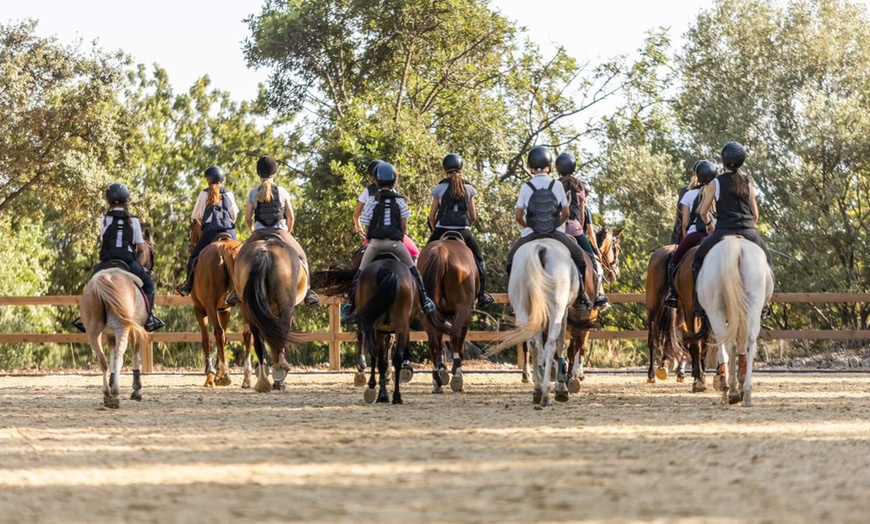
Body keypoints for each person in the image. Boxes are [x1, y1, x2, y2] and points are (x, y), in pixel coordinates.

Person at [341, 162, 436, 320]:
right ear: (394, 180)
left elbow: (365, 221)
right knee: (414, 271)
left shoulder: (372, 200)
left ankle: (351, 303)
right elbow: (404, 225)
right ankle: (425, 300)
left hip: (375, 245)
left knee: (358, 274)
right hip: (396, 245)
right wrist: (398, 235)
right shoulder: (400, 201)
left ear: (376, 181)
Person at [691, 142, 773, 318]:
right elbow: (755, 214)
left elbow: (704, 211)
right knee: (768, 261)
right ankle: (765, 304)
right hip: (749, 230)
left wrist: (708, 224)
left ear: (723, 161)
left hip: (723, 231)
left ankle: (698, 304)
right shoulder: (748, 182)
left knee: (697, 259)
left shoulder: (716, 183)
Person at [505, 146, 592, 309]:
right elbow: (566, 213)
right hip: (554, 233)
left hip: (531, 234)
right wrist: (554, 225)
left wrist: (530, 225)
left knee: (510, 260)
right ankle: (580, 295)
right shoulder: (556, 185)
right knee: (580, 257)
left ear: (531, 167)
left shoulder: (525, 187)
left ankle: (514, 298)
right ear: (549, 166)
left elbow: (518, 216)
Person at [227, 156, 319, 306]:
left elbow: (248, 218)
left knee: (239, 260)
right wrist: (287, 232)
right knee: (302, 257)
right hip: (281, 231)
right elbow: (290, 216)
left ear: (258, 174)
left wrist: (253, 231)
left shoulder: (253, 193)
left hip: (259, 233)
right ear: (274, 173)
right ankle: (308, 292)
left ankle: (236, 292)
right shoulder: (282, 191)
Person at [72, 183, 164, 332]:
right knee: (149, 286)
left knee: (91, 284)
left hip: (107, 261)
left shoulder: (104, 220)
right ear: (125, 200)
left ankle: (84, 318)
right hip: (127, 261)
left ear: (109, 201)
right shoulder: (133, 220)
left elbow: (105, 241)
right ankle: (149, 319)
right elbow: (141, 247)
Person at [426, 153, 494, 307]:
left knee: (424, 256)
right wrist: (466, 227)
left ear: (445, 169)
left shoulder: (440, 187)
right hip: (463, 229)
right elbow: (473, 216)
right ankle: (482, 294)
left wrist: (434, 231)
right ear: (461, 168)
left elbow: (431, 216)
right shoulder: (469, 188)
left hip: (441, 228)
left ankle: (422, 295)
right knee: (479, 259)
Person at [174, 166, 239, 296]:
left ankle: (187, 286)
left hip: (211, 232)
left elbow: (197, 216)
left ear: (207, 180)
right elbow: (234, 216)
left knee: (194, 257)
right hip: (229, 230)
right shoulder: (229, 194)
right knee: (240, 256)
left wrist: (204, 225)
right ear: (222, 179)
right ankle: (241, 286)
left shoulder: (204, 194)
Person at [556, 152, 609, 309]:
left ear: (558, 168)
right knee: (591, 259)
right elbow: (582, 214)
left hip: (556, 230)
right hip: (574, 228)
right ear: (573, 167)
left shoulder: (553, 184)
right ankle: (598, 294)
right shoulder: (579, 186)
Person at [663, 160, 717, 308]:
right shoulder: (717, 194)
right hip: (715, 235)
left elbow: (685, 223)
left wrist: (687, 237)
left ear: (697, 176)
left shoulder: (688, 195)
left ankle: (673, 294)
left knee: (674, 261)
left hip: (695, 235)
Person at [354, 159, 420, 260]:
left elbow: (357, 215)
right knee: (415, 254)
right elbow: (403, 225)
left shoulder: (368, 192)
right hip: (395, 239)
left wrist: (359, 227)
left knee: (358, 266)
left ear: (373, 177)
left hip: (375, 240)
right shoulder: (395, 195)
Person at [669, 162, 701, 245]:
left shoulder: (685, 191)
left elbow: (682, 218)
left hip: (689, 231)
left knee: (675, 256)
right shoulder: (713, 191)